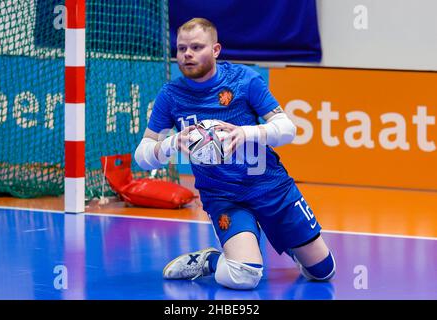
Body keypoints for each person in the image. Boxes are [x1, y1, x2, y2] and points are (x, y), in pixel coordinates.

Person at [134, 18, 336, 290]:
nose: (187, 54)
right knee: (244, 276)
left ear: (216, 50)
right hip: (224, 196)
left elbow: (287, 129)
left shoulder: (244, 80)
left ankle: (291, 242)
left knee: (323, 271)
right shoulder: (171, 96)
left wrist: (246, 133)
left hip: (271, 187)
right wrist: (171, 143)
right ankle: (212, 261)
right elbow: (143, 155)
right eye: (181, 48)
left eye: (196, 47)